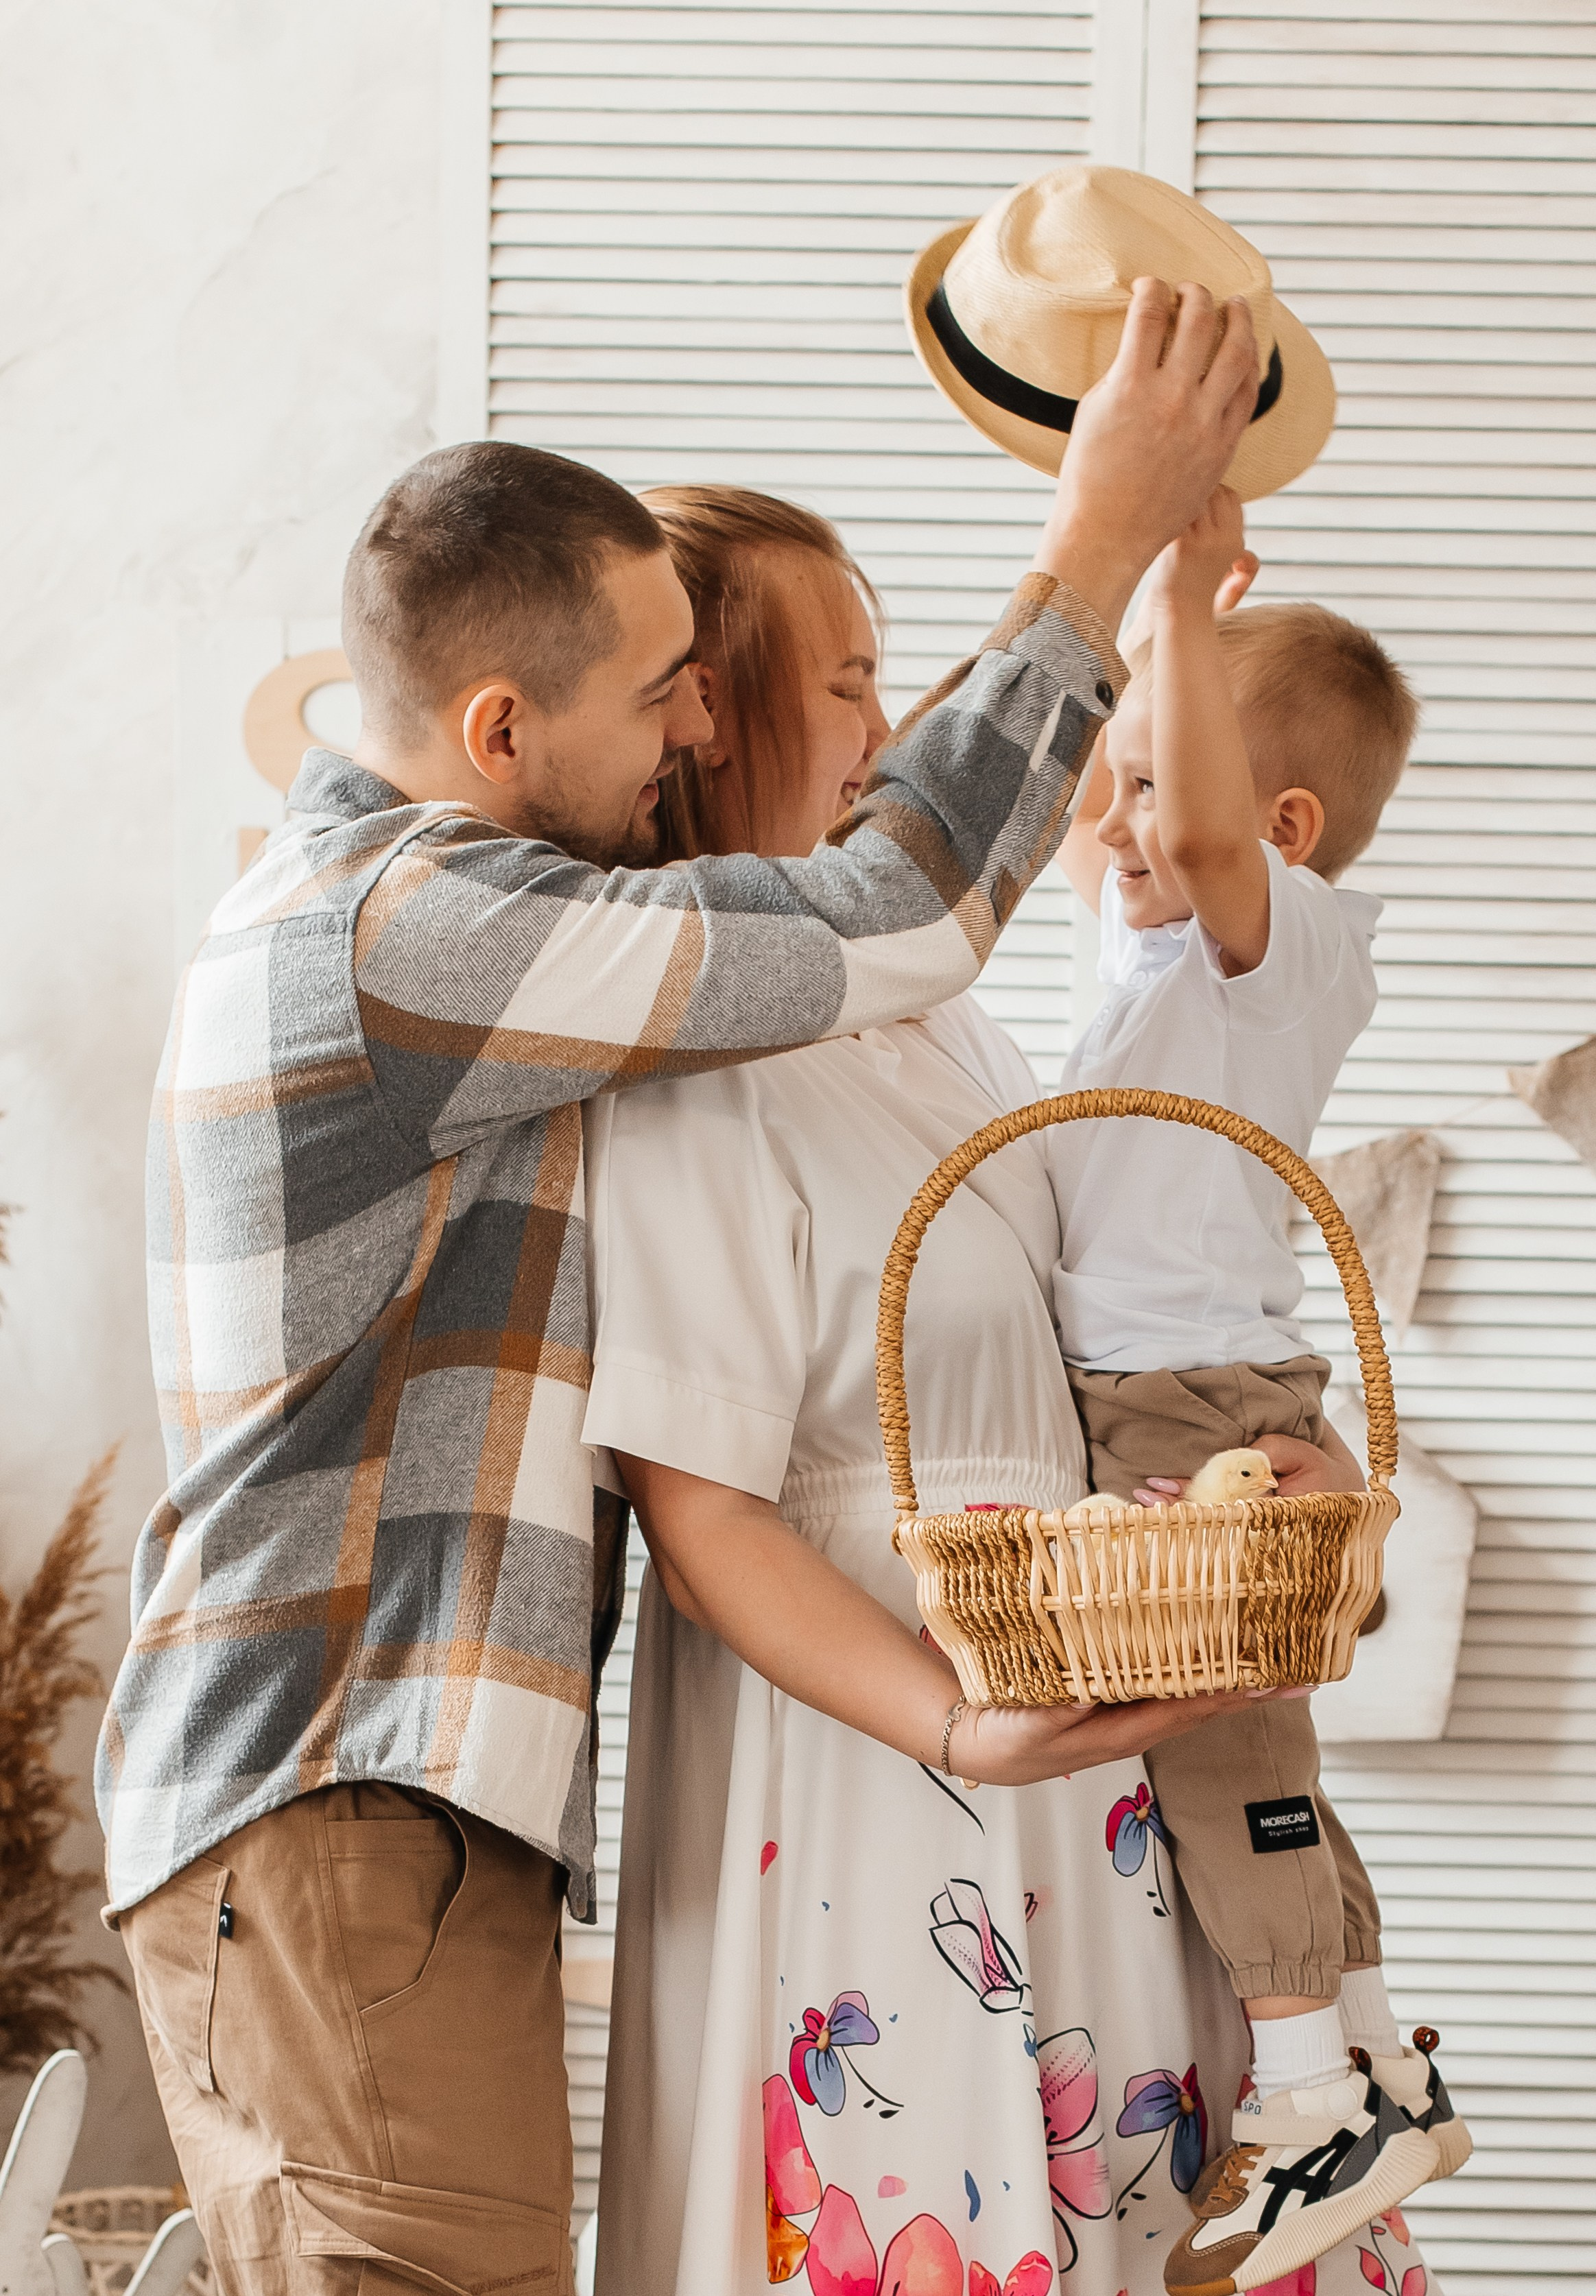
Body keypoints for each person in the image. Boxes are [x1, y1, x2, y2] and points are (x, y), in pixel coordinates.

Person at [98, 280, 1264, 2295]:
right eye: (662, 693)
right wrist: (1098, 539)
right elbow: (890, 906)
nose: (695, 728)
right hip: (335, 1806)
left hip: (385, 1816)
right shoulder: (403, 933)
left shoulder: (440, 947)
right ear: (497, 732)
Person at [583, 484, 1436, 2296]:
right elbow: (700, 1504)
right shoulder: (688, 1056)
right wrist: (955, 1719)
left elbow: (1109, 1323)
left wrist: (1282, 1452)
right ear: (714, 716)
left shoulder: (943, 1012)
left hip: (1089, 1737)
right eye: (850, 682)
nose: (894, 730)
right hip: (880, 1756)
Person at [1051, 488, 1465, 2295]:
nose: (1122, 817)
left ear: (1276, 827)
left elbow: (1194, 816)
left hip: (1184, 1399)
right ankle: (1374, 2049)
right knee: (1278, 1762)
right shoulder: (1156, 952)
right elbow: (1089, 817)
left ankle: (1313, 2105)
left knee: (1228, 1756)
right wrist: (1155, 620)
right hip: (1195, 1380)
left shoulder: (1276, 940)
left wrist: (1175, 630)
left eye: (1155, 784)